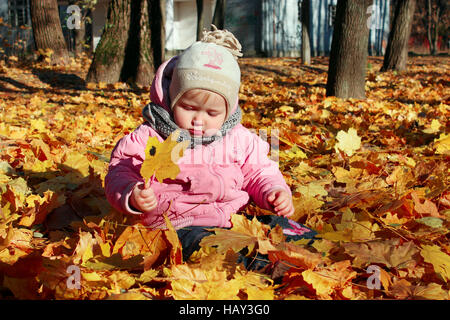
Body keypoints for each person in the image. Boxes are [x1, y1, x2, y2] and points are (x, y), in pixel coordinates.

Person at [105, 26, 316, 271]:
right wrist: (132, 193)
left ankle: (308, 249)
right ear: (172, 100)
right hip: (178, 225)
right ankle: (258, 267)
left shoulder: (238, 138)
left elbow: (259, 171)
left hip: (233, 221)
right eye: (189, 108)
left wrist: (274, 190)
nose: (199, 120)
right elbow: (120, 170)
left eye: (212, 113)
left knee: (281, 228)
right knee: (209, 251)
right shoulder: (151, 137)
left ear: (227, 112)